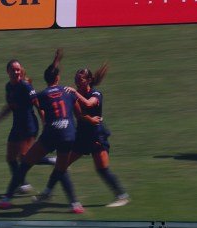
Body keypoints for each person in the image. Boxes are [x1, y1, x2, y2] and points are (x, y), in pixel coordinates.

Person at [0, 50, 87, 213]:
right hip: (69, 135)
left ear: (46, 80)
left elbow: (39, 106)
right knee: (61, 168)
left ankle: (6, 199)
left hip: (52, 134)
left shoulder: (43, 95)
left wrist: (45, 121)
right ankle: (75, 205)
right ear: (58, 78)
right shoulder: (68, 92)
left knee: (25, 164)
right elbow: (79, 115)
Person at [37, 65, 129, 207]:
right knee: (62, 164)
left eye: (80, 79)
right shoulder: (74, 94)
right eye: (76, 79)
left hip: (97, 136)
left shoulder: (95, 94)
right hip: (81, 136)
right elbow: (77, 113)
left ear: (89, 80)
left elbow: (89, 104)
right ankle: (47, 192)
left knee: (102, 169)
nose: (77, 81)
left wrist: (74, 92)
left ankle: (122, 196)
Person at [0, 59, 38, 195]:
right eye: (13, 70)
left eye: (18, 69)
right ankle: (23, 184)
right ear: (7, 72)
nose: (16, 72)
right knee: (10, 157)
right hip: (17, 125)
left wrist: (46, 121)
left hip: (28, 125)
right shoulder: (9, 87)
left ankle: (52, 160)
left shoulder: (26, 86)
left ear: (21, 70)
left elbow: (38, 104)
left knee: (24, 157)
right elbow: (10, 106)